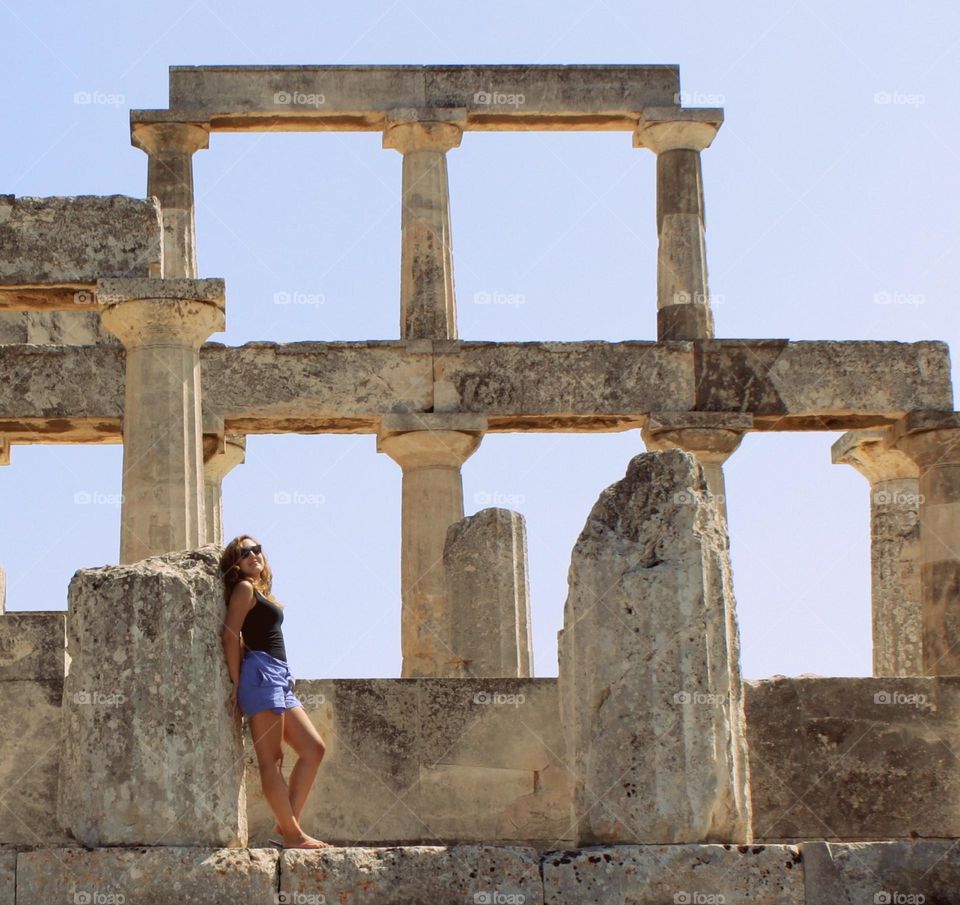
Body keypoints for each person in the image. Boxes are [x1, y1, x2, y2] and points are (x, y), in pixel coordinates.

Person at [220, 535, 329, 849]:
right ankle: (294, 836)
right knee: (273, 760)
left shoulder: (261, 591)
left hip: (280, 676)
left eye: (257, 549)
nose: (253, 555)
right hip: (261, 673)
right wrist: (237, 684)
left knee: (313, 749)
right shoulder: (244, 588)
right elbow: (231, 636)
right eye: (244, 553)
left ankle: (287, 827)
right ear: (236, 565)